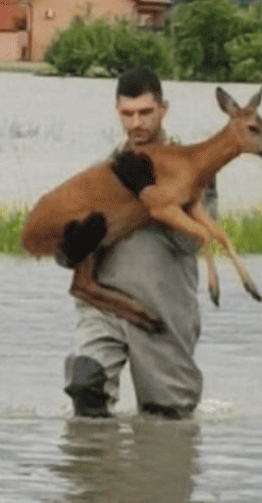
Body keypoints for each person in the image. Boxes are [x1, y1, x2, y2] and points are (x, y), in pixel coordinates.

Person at [63, 66, 216, 420]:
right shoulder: (101, 173)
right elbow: (67, 255)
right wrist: (69, 249)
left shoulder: (193, 171)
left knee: (167, 419)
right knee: (87, 388)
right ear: (117, 112)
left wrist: (149, 196)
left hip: (163, 310)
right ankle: (98, 472)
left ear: (163, 109)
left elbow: (194, 243)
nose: (136, 124)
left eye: (145, 113)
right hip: (105, 306)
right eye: (127, 114)